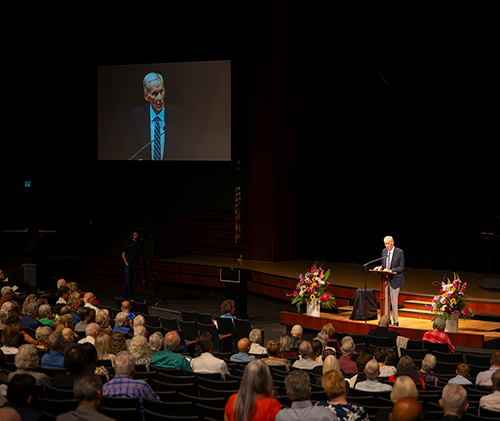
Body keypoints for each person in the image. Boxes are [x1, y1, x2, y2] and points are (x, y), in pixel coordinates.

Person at [131, 72, 183, 161]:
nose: (160, 98)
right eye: (155, 94)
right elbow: (131, 150)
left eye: (161, 92)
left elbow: (183, 149)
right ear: (146, 96)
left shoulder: (176, 115)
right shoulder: (137, 116)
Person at [374, 236, 405, 326]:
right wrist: (381, 267)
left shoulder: (399, 252)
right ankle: (387, 320)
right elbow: (384, 264)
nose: (386, 245)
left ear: (392, 242)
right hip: (385, 279)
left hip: (395, 279)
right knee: (386, 301)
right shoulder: (384, 251)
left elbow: (401, 267)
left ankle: (396, 321)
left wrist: (391, 270)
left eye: (388, 243)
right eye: (385, 244)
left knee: (394, 302)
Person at [121, 230, 142, 300]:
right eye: (135, 234)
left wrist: (139, 263)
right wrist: (126, 263)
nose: (136, 236)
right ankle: (124, 296)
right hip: (129, 264)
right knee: (127, 281)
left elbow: (141, 254)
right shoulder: (129, 243)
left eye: (137, 234)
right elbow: (123, 254)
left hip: (135, 265)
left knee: (133, 282)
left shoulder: (138, 244)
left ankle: (131, 297)